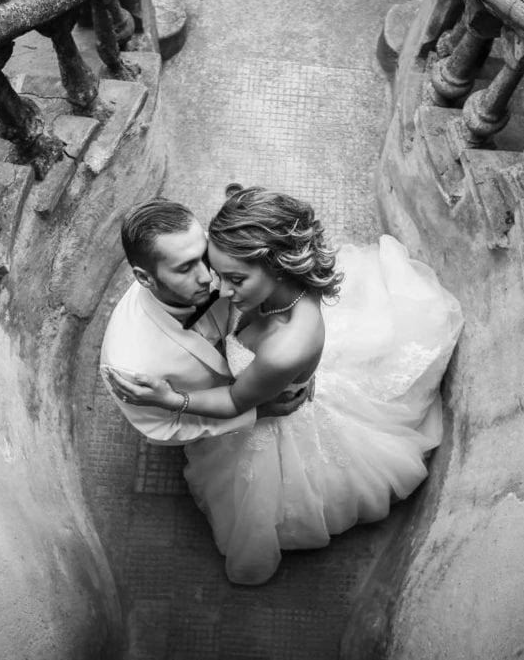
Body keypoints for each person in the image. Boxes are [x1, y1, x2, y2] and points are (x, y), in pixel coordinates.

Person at [105, 186, 463, 585]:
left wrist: (175, 399)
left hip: (272, 408)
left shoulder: (283, 344)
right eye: (191, 267)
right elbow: (159, 427)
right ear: (145, 278)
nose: (214, 283)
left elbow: (235, 399)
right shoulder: (134, 357)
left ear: (274, 265)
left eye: (227, 274)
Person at [99, 197, 307, 447]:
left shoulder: (218, 258)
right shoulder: (129, 367)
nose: (209, 277)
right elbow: (165, 429)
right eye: (185, 268)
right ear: (145, 278)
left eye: (204, 256)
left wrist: (295, 368)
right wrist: (257, 413)